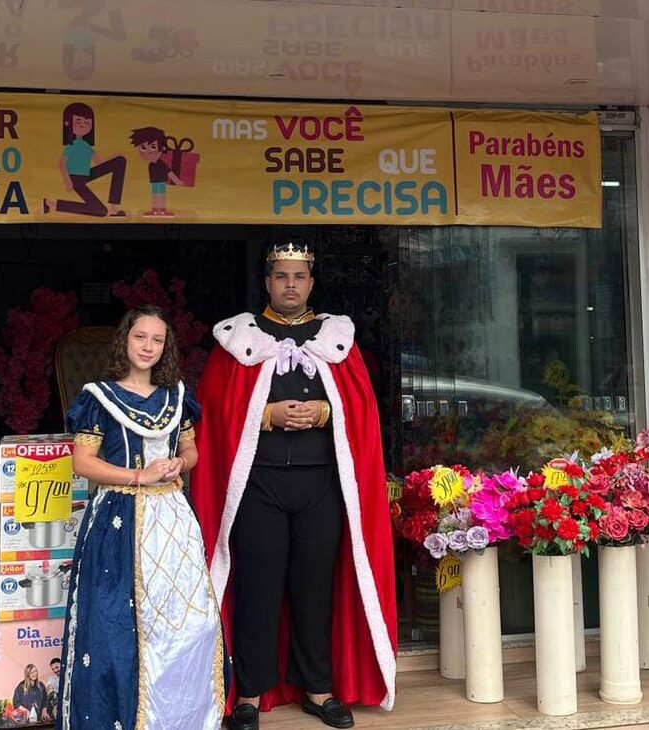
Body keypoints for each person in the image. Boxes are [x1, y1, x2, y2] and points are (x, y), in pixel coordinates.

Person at [192, 242, 397, 730]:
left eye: (299, 276)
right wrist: (264, 415)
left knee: (315, 589)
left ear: (310, 282)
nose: (290, 284)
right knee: (257, 589)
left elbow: (362, 411)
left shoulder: (336, 341)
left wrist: (327, 411)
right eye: (281, 276)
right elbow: (213, 415)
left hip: (320, 484)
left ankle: (318, 688)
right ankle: (250, 692)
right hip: (258, 487)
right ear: (267, 282)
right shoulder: (237, 341)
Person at [56, 305, 226, 730]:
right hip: (117, 518)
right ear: (124, 341)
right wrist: (138, 475)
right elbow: (82, 463)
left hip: (171, 519)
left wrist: (177, 466)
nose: (148, 346)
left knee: (189, 621)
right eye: (140, 337)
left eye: (157, 339)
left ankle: (179, 718)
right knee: (114, 627)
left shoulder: (176, 397)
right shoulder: (98, 397)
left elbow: (192, 451)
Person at [43, 101, 127, 218]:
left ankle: (114, 207)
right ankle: (51, 204)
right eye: (79, 121)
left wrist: (116, 157)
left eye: (87, 122)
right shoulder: (71, 145)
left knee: (120, 161)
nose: (83, 125)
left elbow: (99, 163)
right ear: (68, 123)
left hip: (86, 174)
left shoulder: (86, 146)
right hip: (75, 179)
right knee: (100, 211)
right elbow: (61, 163)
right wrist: (68, 182)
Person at [129, 126, 183, 217]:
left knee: (160, 195)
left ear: (162, 148)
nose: (148, 152)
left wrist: (177, 181)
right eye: (143, 147)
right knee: (155, 195)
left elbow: (169, 172)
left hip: (160, 182)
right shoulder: (151, 164)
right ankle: (156, 210)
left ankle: (161, 210)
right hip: (155, 182)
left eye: (153, 147)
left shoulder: (160, 164)